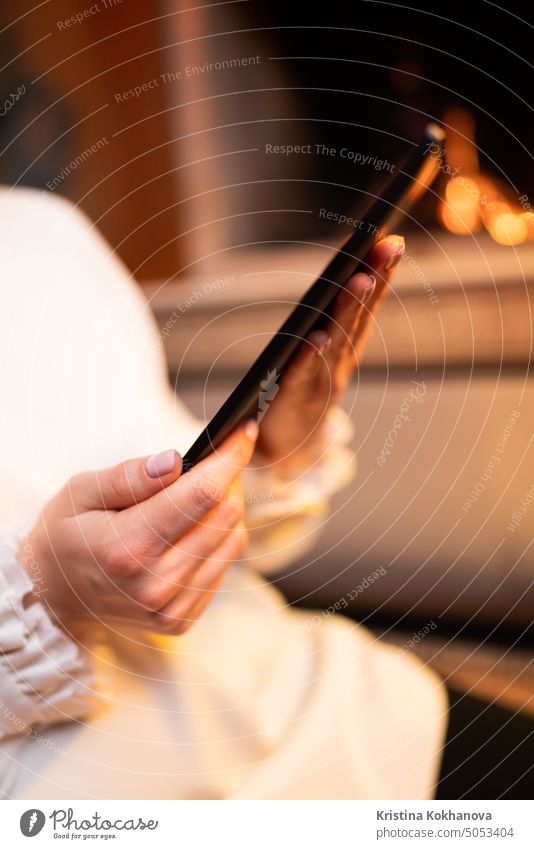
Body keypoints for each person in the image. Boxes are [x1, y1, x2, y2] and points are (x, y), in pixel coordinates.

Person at [0, 187, 530, 801]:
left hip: (328, 705)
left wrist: (274, 443)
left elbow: (171, 486)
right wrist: (49, 598)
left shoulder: (41, 232)